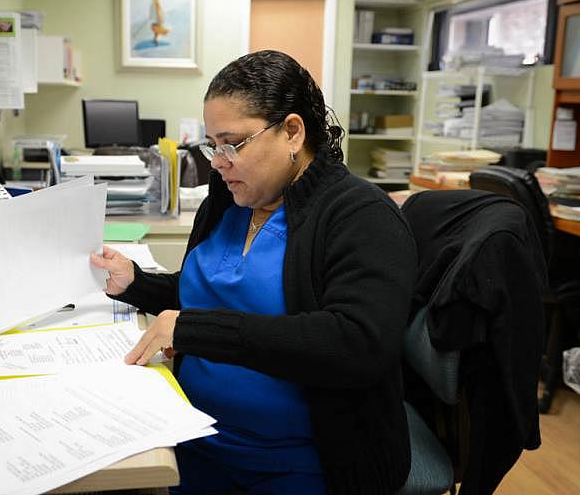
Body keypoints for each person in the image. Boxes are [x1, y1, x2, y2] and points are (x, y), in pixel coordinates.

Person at [90, 50, 416, 495]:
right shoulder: (227, 203)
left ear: (292, 132)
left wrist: (197, 331)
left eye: (233, 143)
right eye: (212, 145)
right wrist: (137, 283)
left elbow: (356, 344)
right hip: (192, 435)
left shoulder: (360, 216)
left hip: (300, 463)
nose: (218, 162)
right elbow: (204, 297)